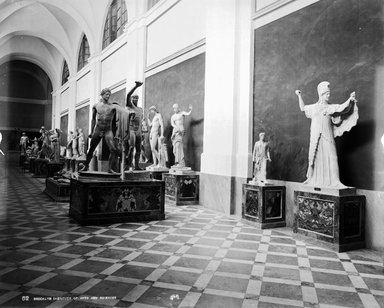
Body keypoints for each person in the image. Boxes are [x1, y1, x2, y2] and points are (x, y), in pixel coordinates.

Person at [295, 81, 358, 188]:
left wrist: (350, 100)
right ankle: (312, 179)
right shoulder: (314, 107)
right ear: (321, 94)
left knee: (332, 157)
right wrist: (299, 95)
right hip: (316, 136)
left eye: (329, 93)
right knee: (314, 158)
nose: (329, 95)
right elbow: (302, 108)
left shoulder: (330, 107)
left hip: (327, 134)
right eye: (327, 94)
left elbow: (343, 108)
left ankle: (336, 181)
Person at [80, 88, 120, 173]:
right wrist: (91, 131)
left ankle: (110, 169)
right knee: (91, 148)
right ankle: (86, 166)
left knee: (113, 149)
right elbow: (93, 120)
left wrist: (116, 133)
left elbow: (115, 123)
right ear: (102, 95)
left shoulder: (113, 107)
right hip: (98, 129)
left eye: (109, 94)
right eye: (106, 94)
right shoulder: (96, 106)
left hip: (108, 130)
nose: (108, 96)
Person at [126, 81, 144, 170]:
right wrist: (136, 86)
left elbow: (141, 121)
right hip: (131, 129)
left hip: (138, 130)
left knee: (139, 149)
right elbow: (128, 95)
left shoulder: (140, 109)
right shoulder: (129, 106)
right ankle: (129, 165)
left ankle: (136, 165)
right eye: (134, 98)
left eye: (137, 98)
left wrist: (143, 132)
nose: (135, 100)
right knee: (131, 147)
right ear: (131, 99)